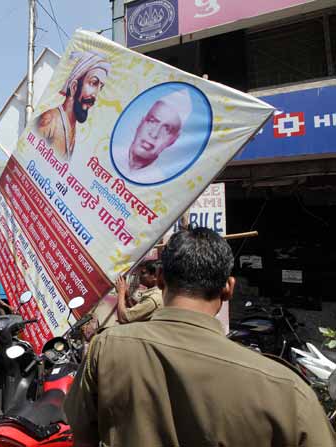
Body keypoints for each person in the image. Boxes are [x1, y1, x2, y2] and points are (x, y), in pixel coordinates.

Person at [64, 227, 335, 446]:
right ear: (228, 288)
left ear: (161, 279)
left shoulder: (106, 348)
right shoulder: (287, 390)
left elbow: (82, 434)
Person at [34, 51, 110, 160]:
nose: (95, 95)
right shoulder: (49, 120)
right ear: (74, 87)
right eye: (93, 83)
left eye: (100, 88)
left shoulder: (72, 129)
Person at [114, 89, 193, 184]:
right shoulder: (107, 155)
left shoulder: (158, 183)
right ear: (141, 123)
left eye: (166, 129)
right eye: (152, 121)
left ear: (173, 140)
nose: (154, 134)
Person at [114, 259, 163, 324]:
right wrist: (126, 295)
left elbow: (123, 318)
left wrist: (121, 292)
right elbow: (136, 312)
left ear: (155, 276)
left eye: (143, 273)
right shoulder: (158, 293)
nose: (139, 275)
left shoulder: (153, 299)